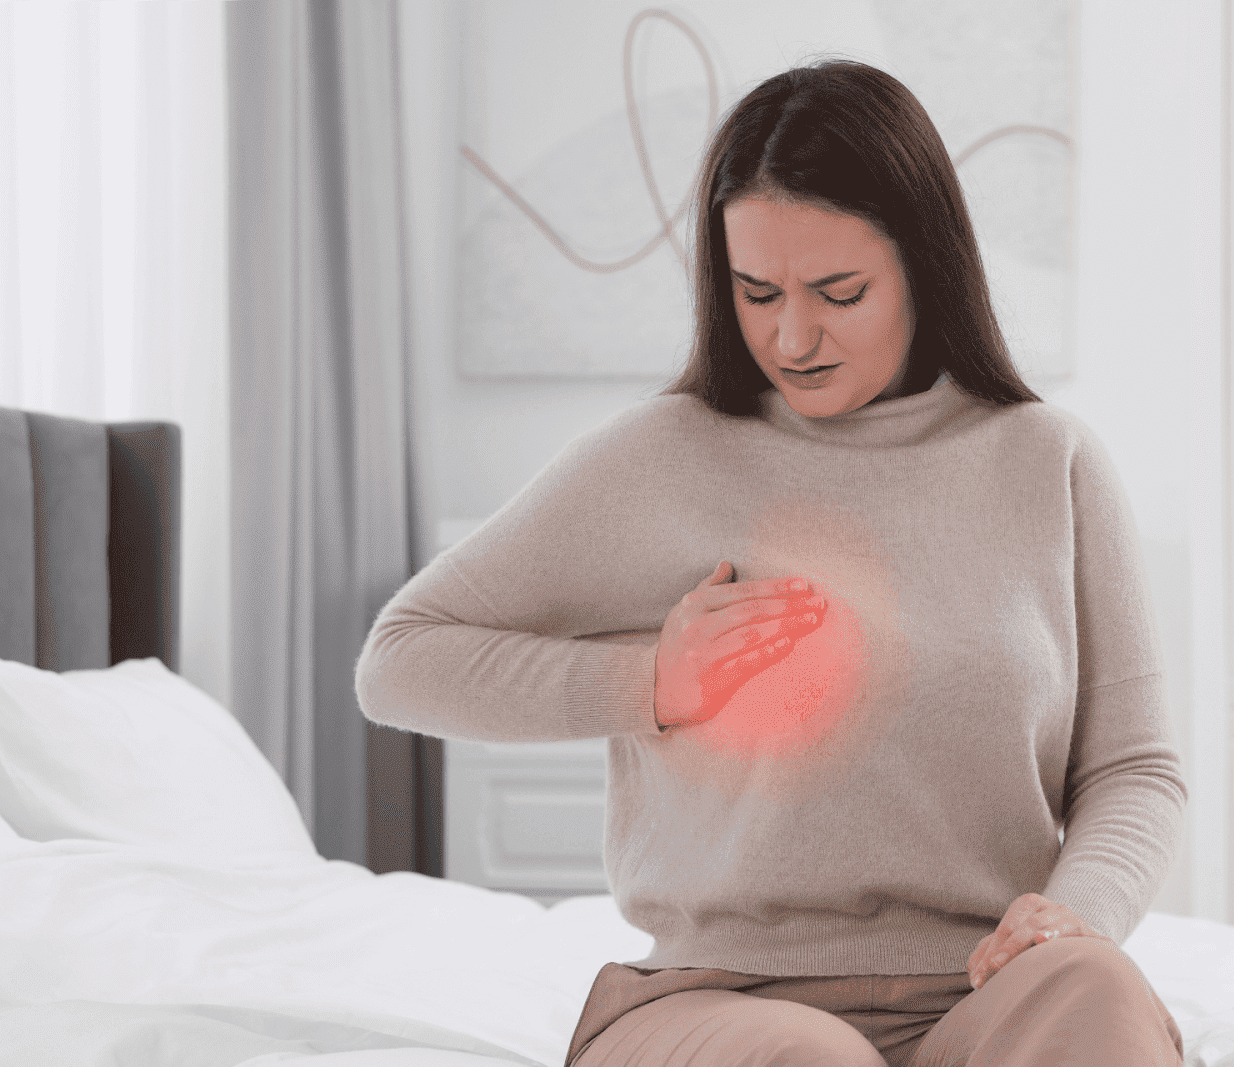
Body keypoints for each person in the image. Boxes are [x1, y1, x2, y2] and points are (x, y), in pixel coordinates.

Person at [356, 57, 1186, 1067]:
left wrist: (1075, 911)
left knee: (1099, 985)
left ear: (925, 263)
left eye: (840, 292)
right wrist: (649, 684)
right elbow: (399, 658)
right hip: (721, 1001)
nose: (792, 337)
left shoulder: (1048, 462)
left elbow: (1134, 767)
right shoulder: (659, 455)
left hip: (979, 995)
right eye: (757, 293)